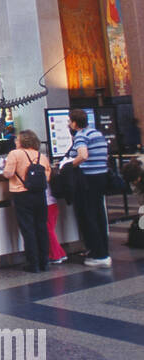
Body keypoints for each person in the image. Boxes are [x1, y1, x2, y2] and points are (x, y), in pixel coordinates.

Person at [67, 109, 111, 266]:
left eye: (69, 121)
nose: (68, 123)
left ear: (74, 122)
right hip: (100, 177)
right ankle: (103, 251)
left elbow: (83, 155)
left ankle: (98, 255)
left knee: (88, 216)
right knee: (99, 215)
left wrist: (69, 165)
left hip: (86, 180)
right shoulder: (97, 134)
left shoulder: (81, 136)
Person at [3, 130, 51, 273]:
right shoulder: (41, 156)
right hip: (39, 195)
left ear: (23, 141)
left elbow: (8, 173)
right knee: (41, 227)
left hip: (21, 194)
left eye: (17, 140)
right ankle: (45, 262)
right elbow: (47, 176)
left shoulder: (15, 154)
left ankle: (33, 263)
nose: (15, 142)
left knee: (28, 229)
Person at [45, 176, 67, 265]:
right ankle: (61, 253)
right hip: (53, 203)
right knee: (50, 231)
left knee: (48, 231)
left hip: (47, 204)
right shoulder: (47, 170)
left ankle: (55, 256)